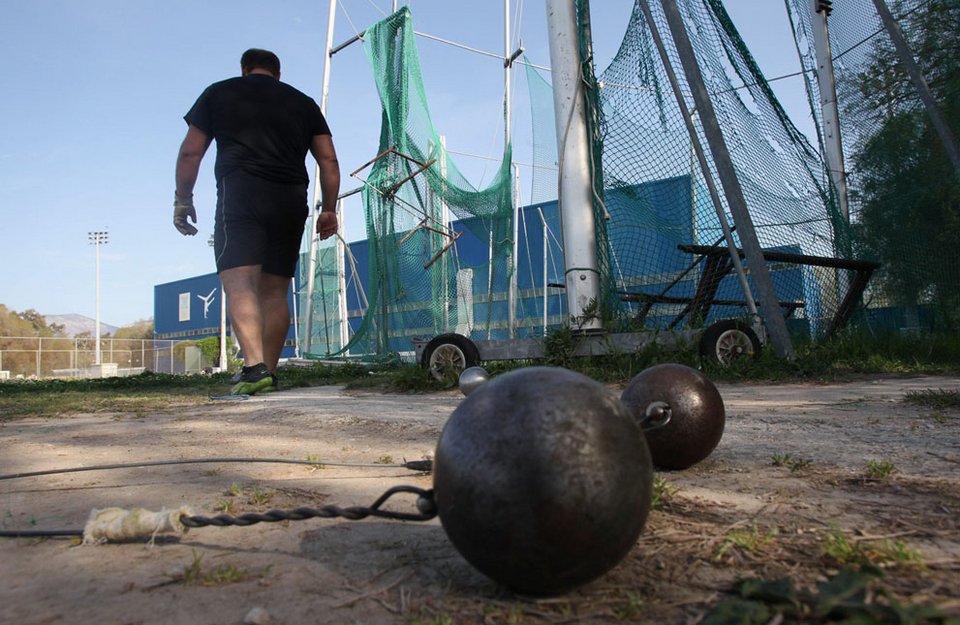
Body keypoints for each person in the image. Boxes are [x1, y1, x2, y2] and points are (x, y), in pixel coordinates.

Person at [173, 48, 340, 395]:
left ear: (244, 69)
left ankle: (253, 368)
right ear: (277, 74)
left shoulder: (219, 92)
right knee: (275, 292)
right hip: (291, 198)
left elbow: (191, 151)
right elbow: (328, 159)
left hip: (243, 193)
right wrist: (329, 209)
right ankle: (268, 372)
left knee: (240, 283)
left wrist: (183, 198)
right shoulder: (303, 102)